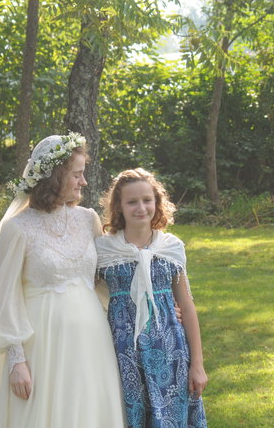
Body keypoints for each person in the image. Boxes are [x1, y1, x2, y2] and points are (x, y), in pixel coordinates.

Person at [0, 133, 125, 427]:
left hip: (93, 342)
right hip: (42, 347)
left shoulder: (88, 220)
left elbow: (107, 280)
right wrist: (16, 361)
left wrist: (151, 302)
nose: (84, 182)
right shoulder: (17, 229)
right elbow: (5, 298)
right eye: (76, 175)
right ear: (55, 177)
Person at [96, 168, 208, 427]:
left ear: (157, 202)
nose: (141, 208)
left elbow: (186, 305)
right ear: (119, 206)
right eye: (132, 202)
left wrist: (198, 364)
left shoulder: (171, 247)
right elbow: (88, 293)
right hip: (121, 352)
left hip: (170, 351)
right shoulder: (104, 250)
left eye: (147, 200)